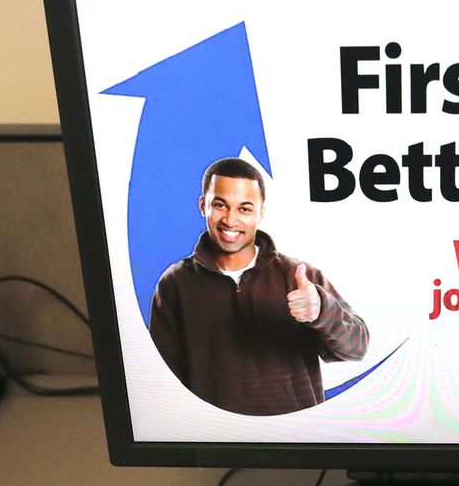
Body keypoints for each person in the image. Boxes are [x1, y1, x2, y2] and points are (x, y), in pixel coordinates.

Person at [149, 157, 369, 415]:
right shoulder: (174, 284)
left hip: (295, 441)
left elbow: (357, 347)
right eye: (220, 205)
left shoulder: (300, 276)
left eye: (245, 209)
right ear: (202, 205)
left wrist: (322, 310)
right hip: (216, 442)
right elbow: (162, 383)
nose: (230, 220)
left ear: (261, 212)